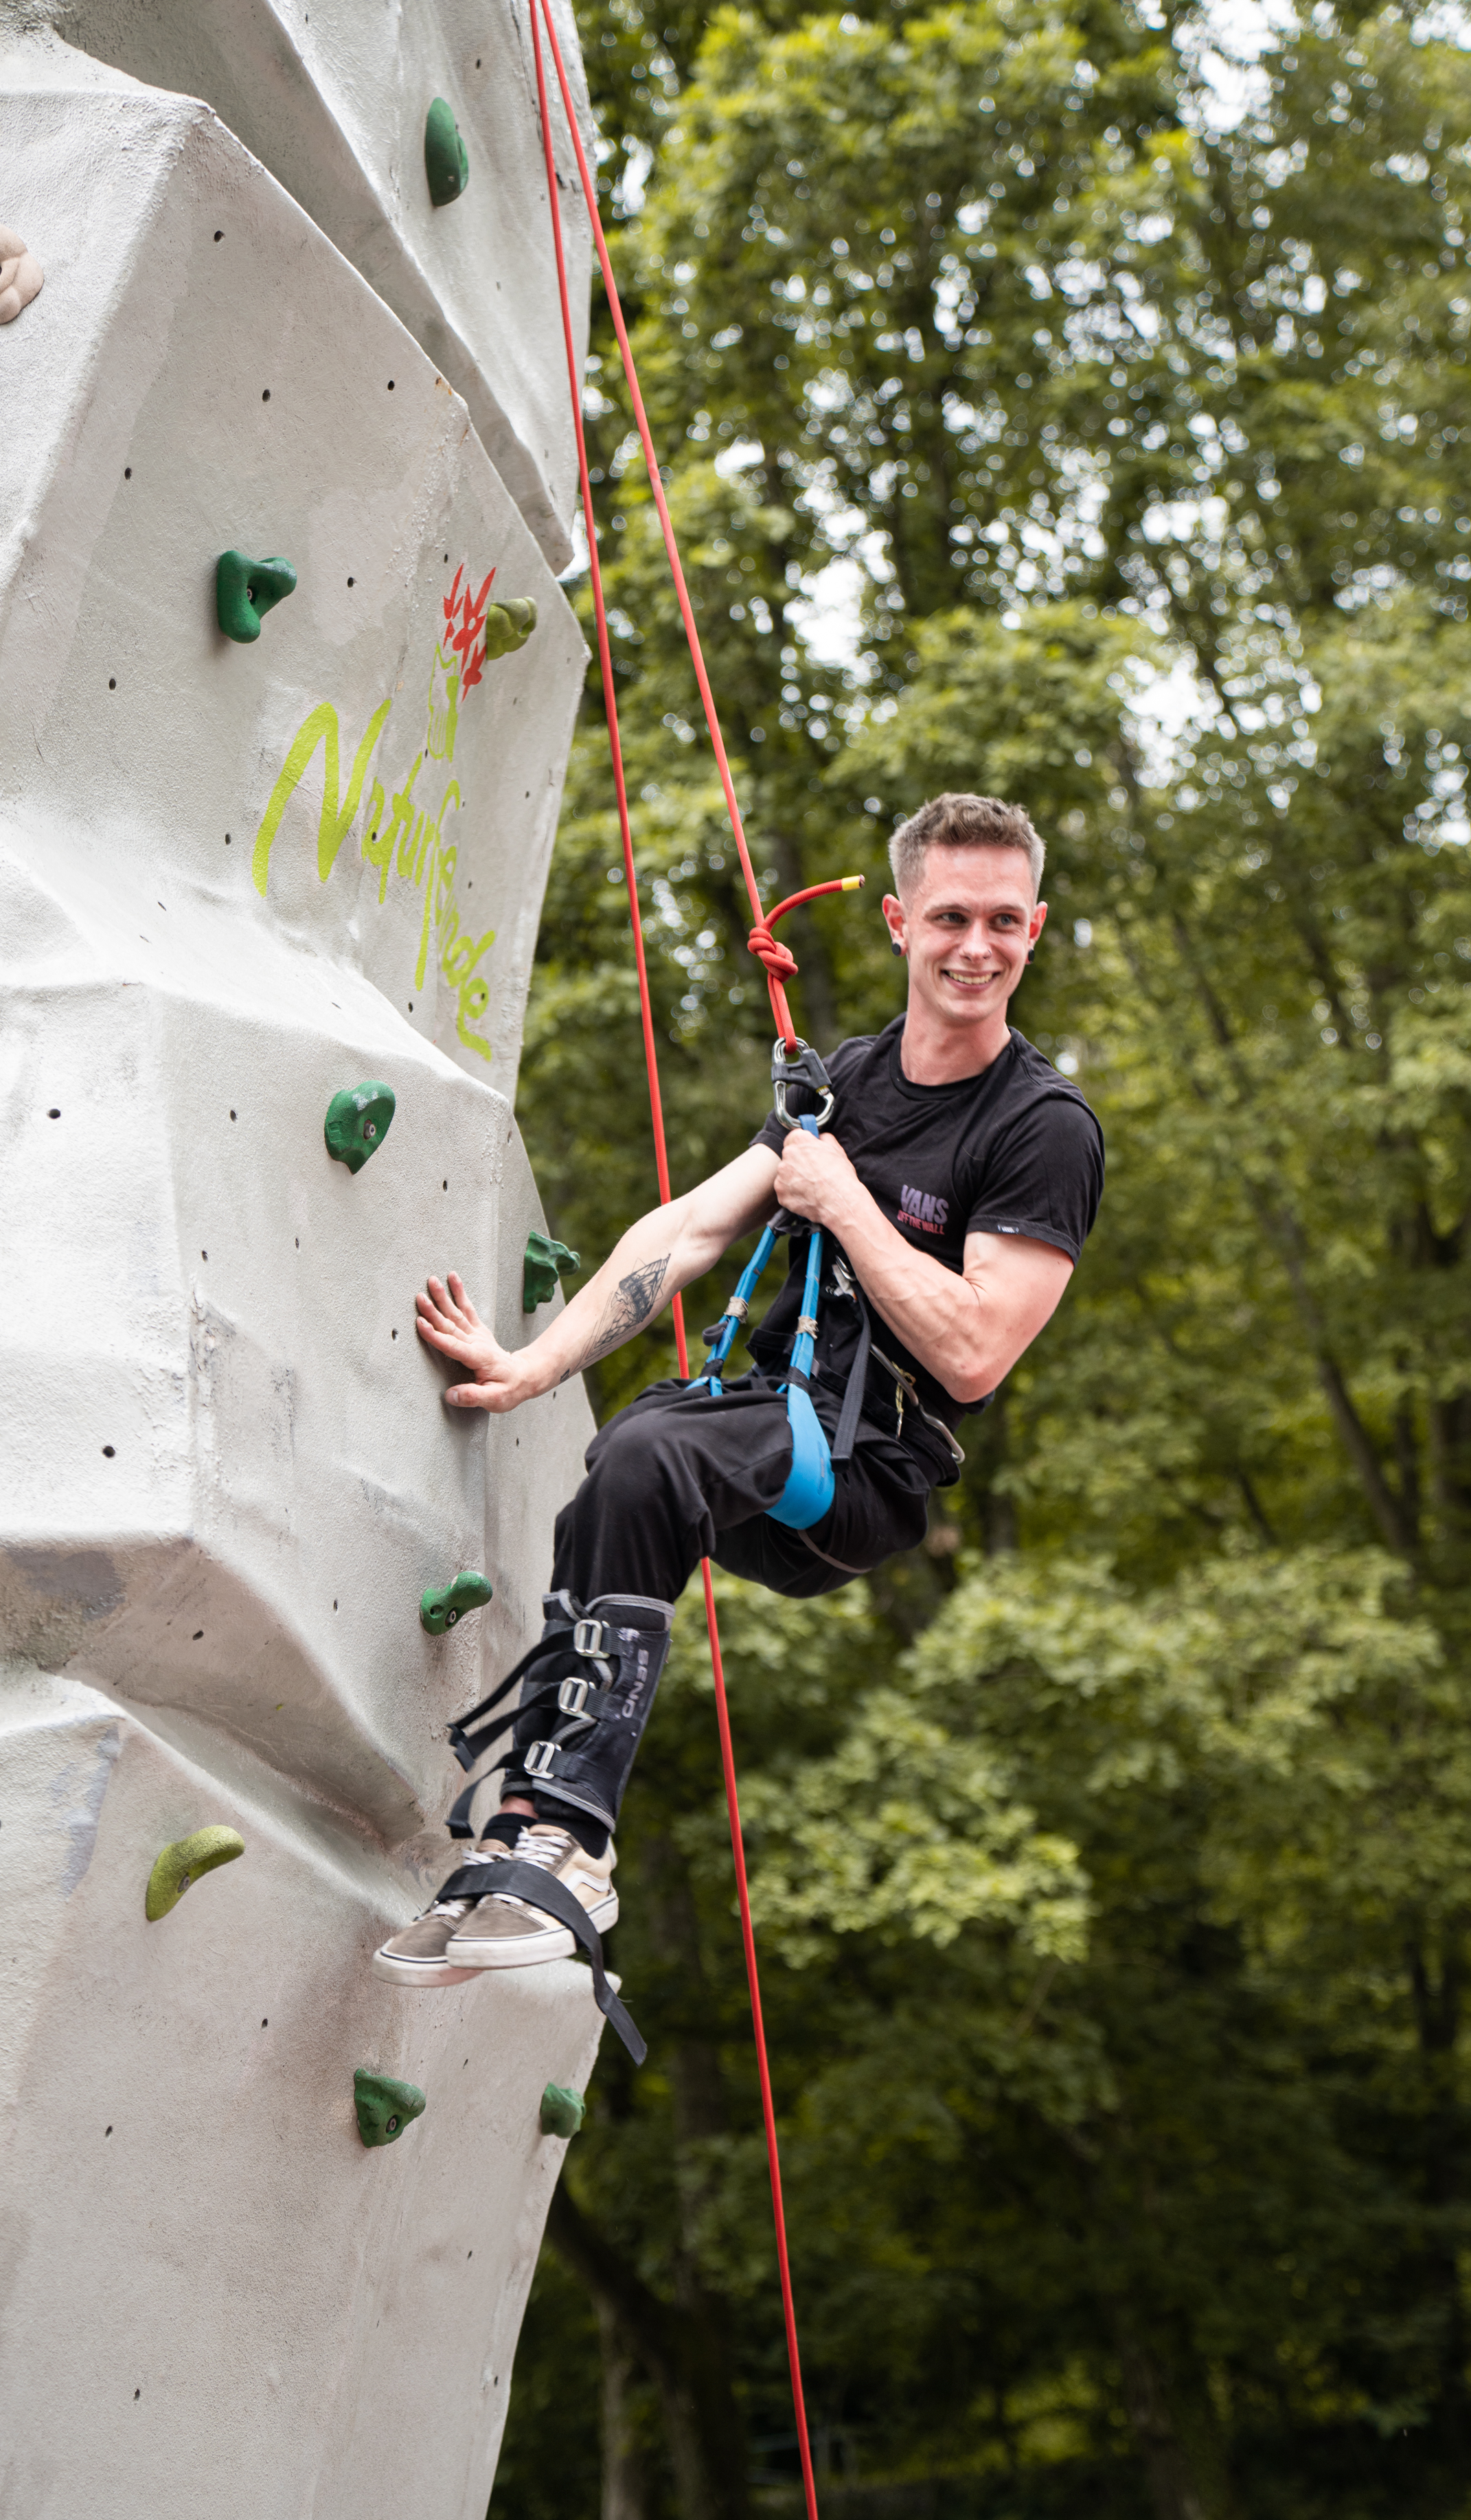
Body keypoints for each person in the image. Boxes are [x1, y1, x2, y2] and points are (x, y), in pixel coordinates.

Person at [374, 792, 1105, 2022]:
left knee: (655, 1453)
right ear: (896, 924)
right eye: (948, 918)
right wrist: (532, 1364)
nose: (975, 947)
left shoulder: (1043, 1128)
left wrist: (842, 1199)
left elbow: (975, 1354)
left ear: (1036, 929)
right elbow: (692, 1227)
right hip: (763, 1430)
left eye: (1002, 921)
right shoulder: (847, 1085)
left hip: (864, 1472)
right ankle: (526, 1828)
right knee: (624, 1466)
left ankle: (574, 1843)